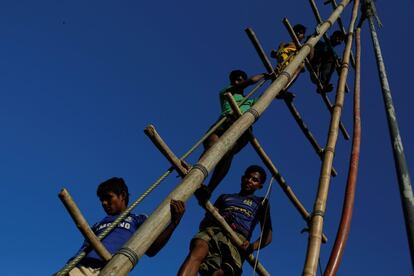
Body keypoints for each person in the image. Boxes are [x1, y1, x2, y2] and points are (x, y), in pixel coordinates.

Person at [64, 177, 185, 275]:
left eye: (108, 198)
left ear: (122, 195)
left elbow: (152, 249)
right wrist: (66, 269)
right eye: (102, 200)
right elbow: (83, 250)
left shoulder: (137, 219)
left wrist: (173, 223)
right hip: (82, 268)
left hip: (113, 269)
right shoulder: (98, 225)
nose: (104, 203)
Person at [179, 165, 272, 276]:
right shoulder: (225, 197)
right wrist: (216, 217)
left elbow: (268, 235)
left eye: (255, 180)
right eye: (248, 177)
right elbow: (203, 223)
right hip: (214, 231)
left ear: (260, 186)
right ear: (242, 178)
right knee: (198, 251)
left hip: (237, 239)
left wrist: (252, 246)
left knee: (219, 273)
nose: (249, 181)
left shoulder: (261, 202)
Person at [197, 70, 269, 201]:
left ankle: (209, 188)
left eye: (241, 79)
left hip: (241, 128)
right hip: (225, 122)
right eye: (236, 79)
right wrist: (264, 75)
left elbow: (267, 95)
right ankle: (196, 175)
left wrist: (277, 83)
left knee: (228, 153)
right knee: (212, 147)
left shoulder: (250, 101)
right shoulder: (226, 91)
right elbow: (252, 81)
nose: (238, 81)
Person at [270, 23, 307, 92]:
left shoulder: (304, 48)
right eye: (297, 31)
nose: (298, 33)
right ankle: (280, 70)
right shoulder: (284, 44)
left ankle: (285, 88)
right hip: (283, 61)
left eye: (301, 32)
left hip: (294, 63)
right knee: (282, 52)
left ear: (303, 36)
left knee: (301, 65)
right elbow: (277, 53)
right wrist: (276, 53)